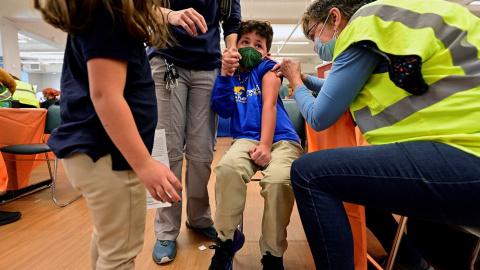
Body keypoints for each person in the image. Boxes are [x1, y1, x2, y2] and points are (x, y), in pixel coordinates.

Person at [272, 0, 480, 269]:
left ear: (334, 18)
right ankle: (414, 263)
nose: (316, 46)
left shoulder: (362, 28)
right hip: (462, 145)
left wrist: (297, 83)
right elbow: (346, 86)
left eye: (313, 34)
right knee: (362, 192)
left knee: (308, 174)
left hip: (464, 156)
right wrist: (302, 79)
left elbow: (318, 117)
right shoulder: (394, 22)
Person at [34, 1, 182, 269]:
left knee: (109, 242)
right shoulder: (109, 14)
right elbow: (105, 95)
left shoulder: (98, 13)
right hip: (111, 157)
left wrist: (171, 15)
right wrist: (144, 164)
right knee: (119, 255)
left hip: (95, 153)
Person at [147, 1, 241, 264]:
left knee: (201, 152)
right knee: (168, 151)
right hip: (167, 60)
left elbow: (231, 21)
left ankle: (199, 218)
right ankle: (166, 230)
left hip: (208, 66)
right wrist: (172, 15)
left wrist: (231, 49)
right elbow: (143, 7)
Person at [209, 20, 303, 270]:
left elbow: (270, 105)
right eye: (245, 42)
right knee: (228, 169)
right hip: (245, 140)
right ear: (234, 46)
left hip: (281, 139)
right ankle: (226, 241)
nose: (251, 48)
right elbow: (223, 109)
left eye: (258, 45)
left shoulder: (267, 68)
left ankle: (272, 255)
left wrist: (265, 146)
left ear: (267, 52)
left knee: (279, 182)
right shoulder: (231, 73)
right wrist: (226, 74)